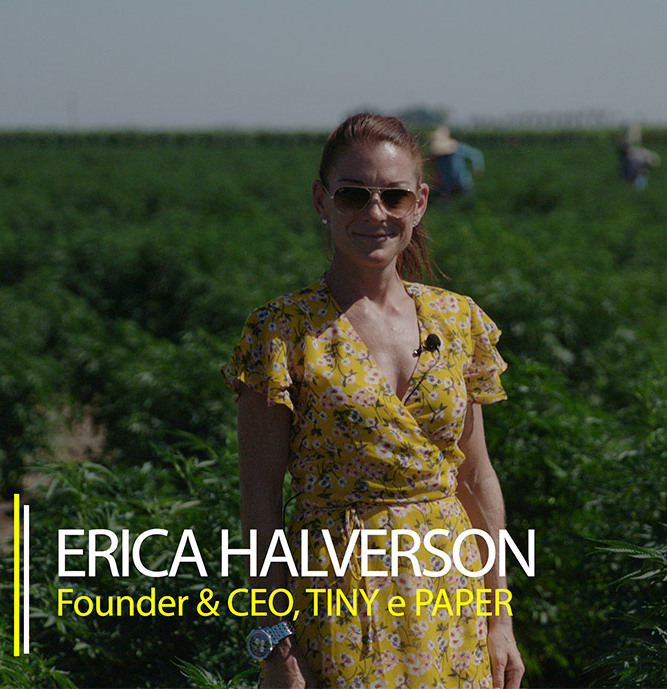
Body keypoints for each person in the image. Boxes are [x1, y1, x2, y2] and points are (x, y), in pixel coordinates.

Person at [223, 113, 524, 689]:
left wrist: (499, 618)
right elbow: (260, 504)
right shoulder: (280, 332)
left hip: (451, 602)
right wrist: (275, 647)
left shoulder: (457, 320)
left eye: (394, 195)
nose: (375, 213)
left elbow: (477, 476)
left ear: (420, 203)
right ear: (321, 200)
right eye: (354, 195)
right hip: (340, 607)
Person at [428, 125, 484, 198]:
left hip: (463, 183)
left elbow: (475, 154)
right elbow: (433, 168)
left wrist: (477, 166)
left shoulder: (458, 149)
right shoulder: (436, 156)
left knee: (466, 201)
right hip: (445, 185)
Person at [616, 122, 660, 190]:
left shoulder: (640, 158)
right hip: (631, 161)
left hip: (631, 162)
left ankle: (629, 128)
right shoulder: (642, 156)